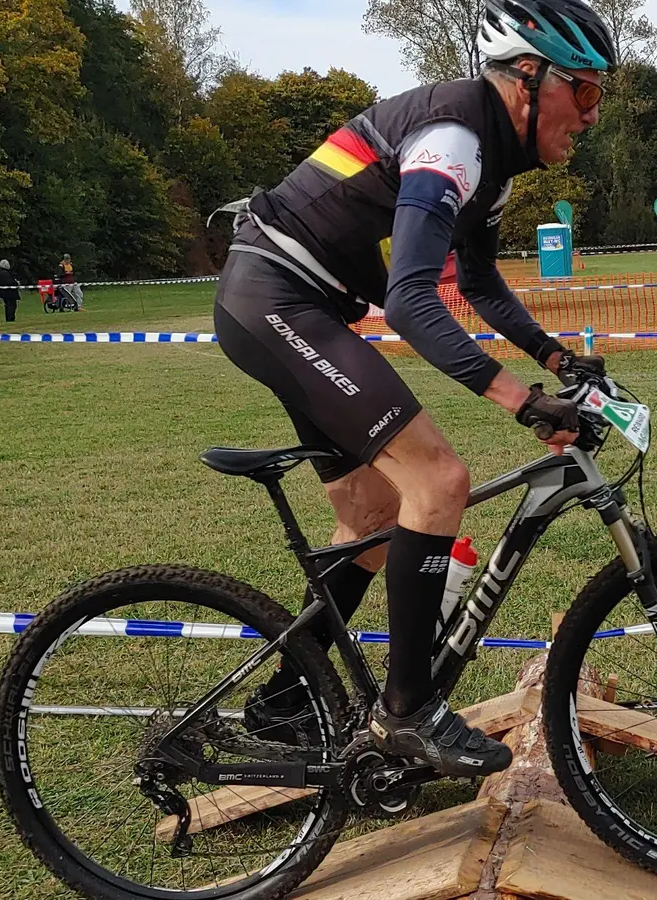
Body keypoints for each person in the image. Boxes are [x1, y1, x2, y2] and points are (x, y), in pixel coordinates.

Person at [210, 0, 615, 776]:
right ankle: (408, 713)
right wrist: (519, 400)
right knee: (438, 479)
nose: (592, 117)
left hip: (295, 302)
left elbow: (483, 285)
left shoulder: (490, 161)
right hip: (277, 299)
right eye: (587, 93)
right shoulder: (455, 140)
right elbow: (411, 299)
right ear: (528, 78)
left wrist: (554, 358)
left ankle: (286, 703)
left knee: (372, 516)